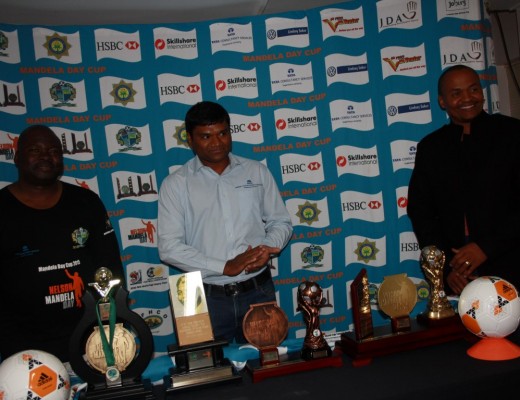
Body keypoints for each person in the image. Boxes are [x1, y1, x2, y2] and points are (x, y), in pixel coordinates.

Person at [158, 101, 293, 343]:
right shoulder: (175, 184)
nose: (217, 142)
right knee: (204, 365)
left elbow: (281, 222)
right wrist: (224, 266)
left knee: (268, 362)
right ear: (189, 139)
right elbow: (169, 248)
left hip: (257, 289)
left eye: (222, 133)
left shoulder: (256, 172)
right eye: (206, 136)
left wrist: (265, 249)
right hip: (196, 294)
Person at [0, 125, 124, 362]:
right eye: (35, 150)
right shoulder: (3, 209)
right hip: (22, 347)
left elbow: (110, 267)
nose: (46, 156)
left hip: (91, 339)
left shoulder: (86, 202)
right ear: (17, 157)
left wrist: (108, 326)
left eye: (54, 151)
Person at [407, 65, 520, 295]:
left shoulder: (512, 133)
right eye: (456, 93)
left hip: (512, 267)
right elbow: (421, 213)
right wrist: (446, 267)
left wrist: (486, 248)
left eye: (473, 89)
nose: (467, 98)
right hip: (459, 278)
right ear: (442, 101)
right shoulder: (431, 148)